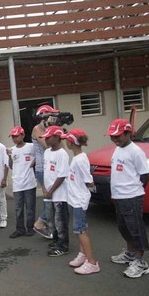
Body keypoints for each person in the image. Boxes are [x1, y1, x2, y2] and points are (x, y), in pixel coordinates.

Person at [107, 119, 149, 278]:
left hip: (131, 196)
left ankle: (140, 262)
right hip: (119, 196)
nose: (115, 139)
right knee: (123, 227)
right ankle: (130, 253)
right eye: (112, 136)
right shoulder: (118, 149)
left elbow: (145, 176)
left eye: (118, 135)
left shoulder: (135, 151)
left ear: (128, 133)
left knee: (135, 228)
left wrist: (134, 190)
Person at [62, 129, 99, 273]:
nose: (65, 142)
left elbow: (89, 181)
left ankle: (92, 262)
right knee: (81, 228)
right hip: (75, 199)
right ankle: (82, 254)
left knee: (80, 230)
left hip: (79, 200)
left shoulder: (81, 159)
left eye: (67, 140)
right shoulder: (77, 158)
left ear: (71, 142)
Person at [39, 126, 70, 257]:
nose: (45, 139)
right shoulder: (47, 152)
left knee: (60, 221)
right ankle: (56, 240)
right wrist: (45, 189)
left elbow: (62, 175)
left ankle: (63, 246)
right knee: (52, 220)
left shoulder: (62, 154)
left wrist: (51, 190)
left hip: (59, 195)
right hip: (49, 193)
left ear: (57, 137)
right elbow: (46, 172)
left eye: (48, 137)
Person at [31, 105, 59, 235]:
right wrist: (53, 129)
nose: (52, 118)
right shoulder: (38, 129)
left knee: (52, 197)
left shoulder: (48, 129)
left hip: (49, 168)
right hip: (43, 169)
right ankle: (41, 222)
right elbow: (46, 145)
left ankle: (50, 226)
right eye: (49, 115)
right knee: (50, 197)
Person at [7, 126, 36, 238]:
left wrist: (33, 163)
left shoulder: (31, 146)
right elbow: (11, 166)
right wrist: (9, 156)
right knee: (18, 208)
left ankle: (30, 227)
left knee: (30, 207)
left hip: (29, 182)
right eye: (13, 137)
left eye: (16, 136)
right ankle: (20, 229)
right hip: (17, 183)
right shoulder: (12, 149)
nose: (14, 138)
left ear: (23, 135)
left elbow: (39, 154)